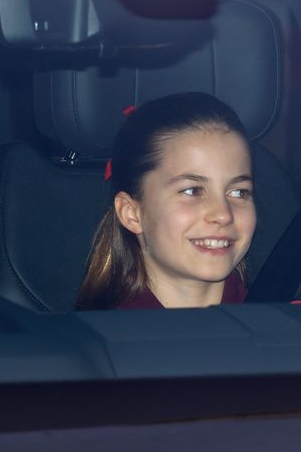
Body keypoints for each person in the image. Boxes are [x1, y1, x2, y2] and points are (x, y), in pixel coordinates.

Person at [75, 92, 256, 310]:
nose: (223, 214)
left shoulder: (284, 328)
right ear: (132, 213)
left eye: (238, 193)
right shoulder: (98, 338)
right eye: (192, 190)